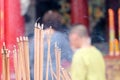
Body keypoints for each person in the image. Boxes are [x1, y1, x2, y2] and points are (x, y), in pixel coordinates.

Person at [29, 10, 73, 80]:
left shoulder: (35, 38)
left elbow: (31, 58)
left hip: (36, 74)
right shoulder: (61, 38)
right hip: (55, 74)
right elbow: (69, 57)